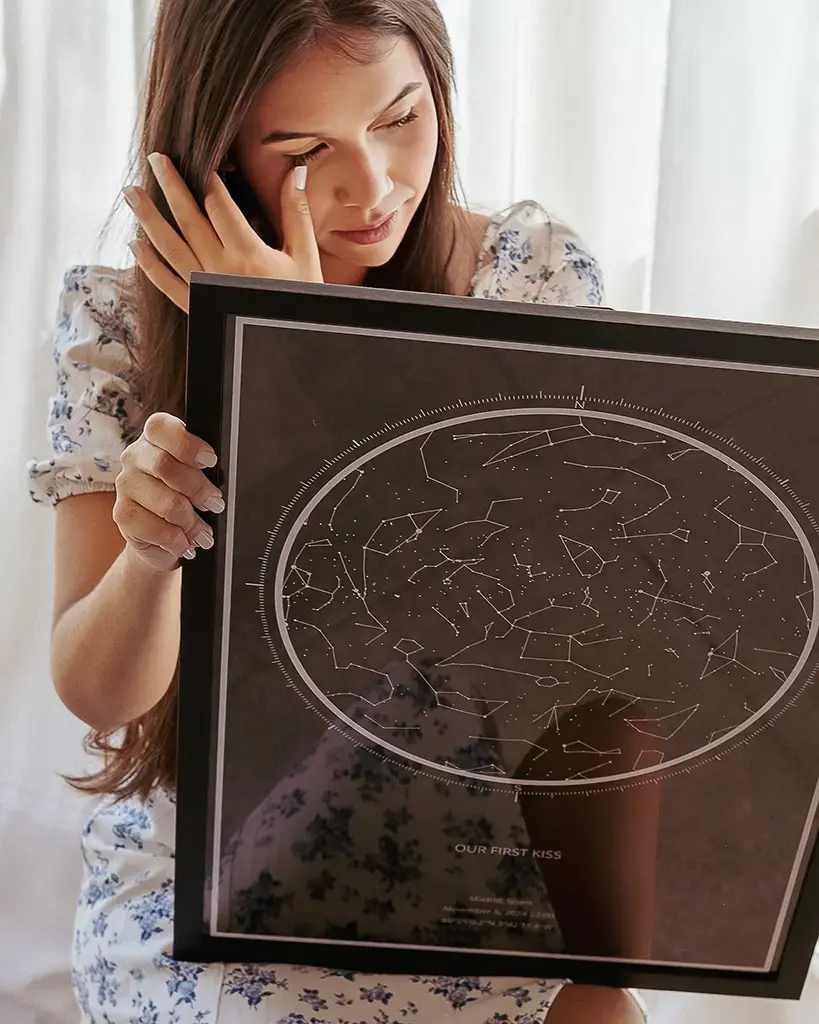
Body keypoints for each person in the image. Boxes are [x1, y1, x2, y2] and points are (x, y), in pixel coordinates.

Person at [27, 0, 649, 1020]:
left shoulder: (529, 276)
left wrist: (308, 349)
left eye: (402, 117)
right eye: (307, 149)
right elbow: (105, 697)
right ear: (219, 145)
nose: (374, 185)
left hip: (479, 861)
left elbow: (552, 645)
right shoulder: (118, 319)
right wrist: (147, 557)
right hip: (214, 889)